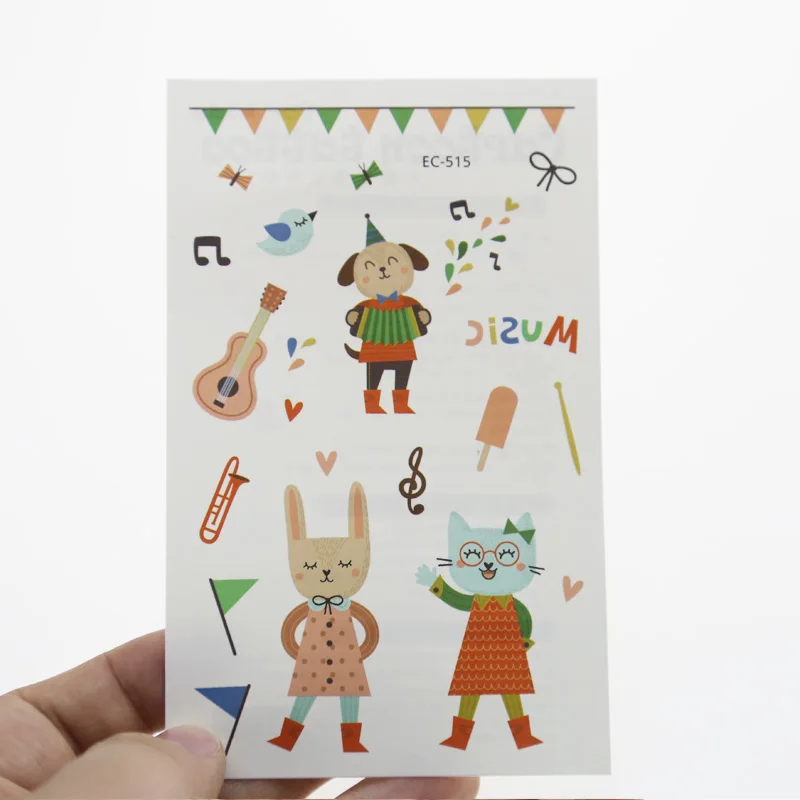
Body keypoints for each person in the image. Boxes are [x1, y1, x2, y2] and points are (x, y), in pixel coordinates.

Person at [0, 631, 479, 799]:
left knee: (347, 698)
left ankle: (346, 737)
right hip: (315, 652)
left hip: (347, 653)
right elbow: (292, 629)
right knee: (305, 699)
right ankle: (293, 735)